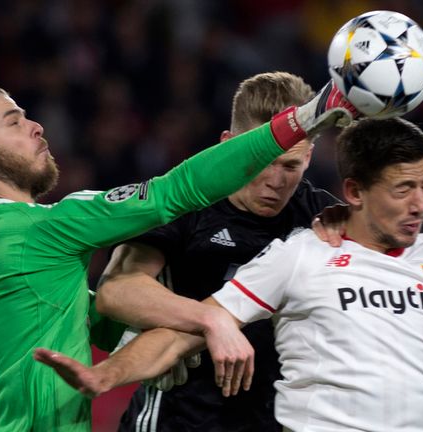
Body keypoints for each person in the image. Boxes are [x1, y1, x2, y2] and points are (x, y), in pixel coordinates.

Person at [35, 117, 423, 431]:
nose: (418, 203)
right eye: (402, 188)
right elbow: (192, 328)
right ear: (353, 190)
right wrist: (105, 374)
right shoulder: (300, 254)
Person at [0, 82, 355, 431]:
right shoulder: (42, 228)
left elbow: (80, 317)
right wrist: (305, 117)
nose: (35, 126)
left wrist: (144, 342)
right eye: (13, 122)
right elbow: (177, 191)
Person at [95, 71, 341, 432]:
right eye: (262, 161)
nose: (276, 180)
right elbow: (117, 290)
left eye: (291, 165)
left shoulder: (323, 216)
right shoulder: (183, 201)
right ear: (228, 145)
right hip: (175, 421)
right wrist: (214, 319)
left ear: (309, 157)